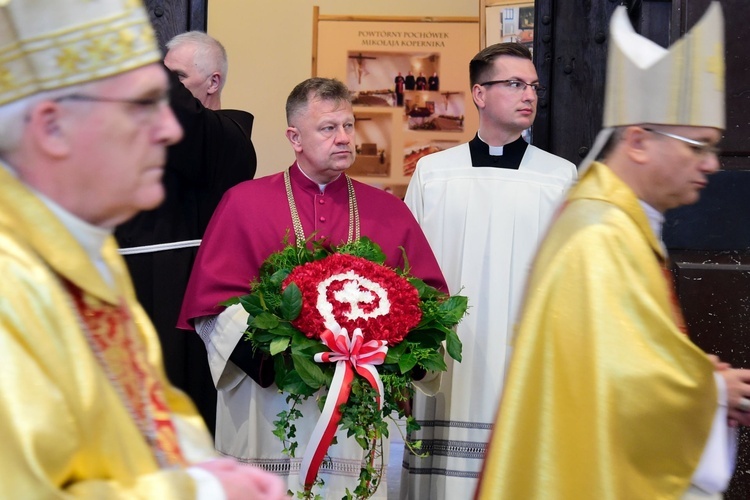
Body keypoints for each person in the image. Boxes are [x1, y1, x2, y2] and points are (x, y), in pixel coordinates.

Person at [0, 1, 285, 498]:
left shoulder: (227, 137)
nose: (168, 129)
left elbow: (150, 403)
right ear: (50, 126)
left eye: (165, 96)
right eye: (141, 104)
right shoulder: (19, 279)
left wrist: (201, 466)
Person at [476, 4, 750, 499]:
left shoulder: (617, 218)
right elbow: (615, 383)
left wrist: (698, 377)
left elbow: (621, 353)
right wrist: (708, 391)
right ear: (640, 141)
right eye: (697, 147)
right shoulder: (598, 234)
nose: (711, 165)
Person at [177, 77, 447, 498]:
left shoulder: (389, 212)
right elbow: (212, 306)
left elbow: (427, 305)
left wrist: (393, 356)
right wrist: (282, 360)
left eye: (348, 126)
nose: (343, 138)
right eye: (328, 128)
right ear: (294, 137)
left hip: (354, 408)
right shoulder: (243, 204)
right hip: (267, 405)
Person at [402, 42, 577, 499]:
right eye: (515, 84)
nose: (529, 96)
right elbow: (408, 274)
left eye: (534, 86)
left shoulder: (559, 177)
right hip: (450, 353)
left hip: (525, 351)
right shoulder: (433, 173)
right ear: (479, 94)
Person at [115, 30, 257, 434]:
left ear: (213, 82)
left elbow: (186, 123)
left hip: (178, 293)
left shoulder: (226, 136)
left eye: (174, 77)